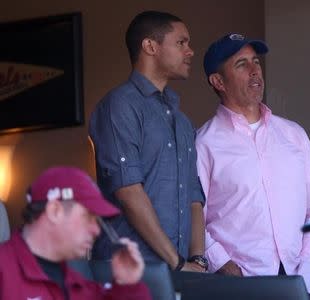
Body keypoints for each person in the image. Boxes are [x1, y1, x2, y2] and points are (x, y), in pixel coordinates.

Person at [196, 33, 310, 293]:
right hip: (237, 284)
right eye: (241, 64)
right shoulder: (204, 143)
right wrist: (222, 263)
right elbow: (192, 218)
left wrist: (308, 260)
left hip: (297, 280)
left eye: (256, 61)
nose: (255, 71)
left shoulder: (293, 135)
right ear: (218, 81)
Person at [89, 11, 207, 273]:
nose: (190, 51)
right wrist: (177, 262)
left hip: (179, 275)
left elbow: (193, 197)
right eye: (181, 43)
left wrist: (197, 260)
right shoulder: (119, 105)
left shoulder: (183, 121)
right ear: (150, 46)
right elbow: (129, 192)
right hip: (128, 271)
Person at [0, 166, 151, 300]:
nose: (96, 230)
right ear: (55, 211)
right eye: (88, 217)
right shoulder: (4, 273)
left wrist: (127, 283)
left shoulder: (80, 287)